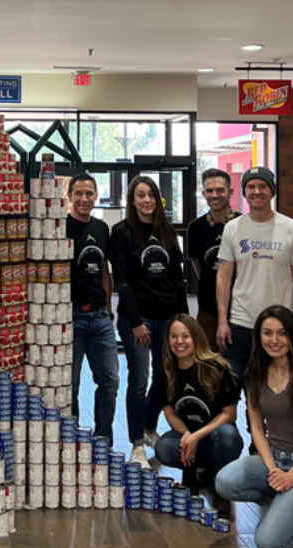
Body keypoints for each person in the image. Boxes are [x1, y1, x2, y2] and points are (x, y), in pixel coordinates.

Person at [215, 306, 293, 548]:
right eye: (267, 333)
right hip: (275, 459)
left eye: (282, 333)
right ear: (259, 337)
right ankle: (284, 499)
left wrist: (292, 476)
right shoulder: (255, 375)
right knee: (224, 482)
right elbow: (257, 427)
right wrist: (273, 470)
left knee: (269, 544)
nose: (275, 340)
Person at [109, 176, 189, 468]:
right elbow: (122, 282)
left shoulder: (166, 232)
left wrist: (183, 321)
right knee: (139, 380)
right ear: (132, 200)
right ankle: (136, 444)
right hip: (138, 320)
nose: (146, 201)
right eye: (140, 195)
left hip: (168, 318)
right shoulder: (121, 233)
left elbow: (178, 281)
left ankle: (149, 426)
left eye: (151, 195)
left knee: (166, 377)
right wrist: (134, 322)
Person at [216, 167, 293, 385]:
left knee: (270, 391)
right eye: (251, 186)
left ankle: (258, 422)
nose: (256, 191)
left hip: (278, 326)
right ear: (244, 192)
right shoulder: (233, 228)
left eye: (262, 186)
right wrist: (223, 321)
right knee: (229, 389)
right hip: (240, 323)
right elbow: (223, 276)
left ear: (272, 190)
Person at [151, 314, 242, 515]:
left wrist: (196, 436)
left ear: (196, 338)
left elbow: (230, 415)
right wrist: (185, 434)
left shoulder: (218, 368)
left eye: (185, 336)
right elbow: (169, 412)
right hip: (189, 437)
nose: (179, 341)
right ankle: (190, 475)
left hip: (215, 436)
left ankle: (221, 484)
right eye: (174, 336)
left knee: (227, 436)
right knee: (164, 447)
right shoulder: (166, 370)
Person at [66, 174, 120, 446]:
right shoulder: (60, 226)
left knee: (110, 381)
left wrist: (108, 310)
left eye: (89, 194)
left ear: (96, 196)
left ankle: (103, 441)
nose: (84, 199)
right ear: (69, 196)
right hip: (70, 317)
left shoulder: (101, 228)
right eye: (79, 193)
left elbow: (104, 270)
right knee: (70, 387)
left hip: (99, 317)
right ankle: (73, 442)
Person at [187, 169, 241, 352]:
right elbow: (199, 265)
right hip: (208, 309)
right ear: (203, 194)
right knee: (207, 360)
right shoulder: (195, 228)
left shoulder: (244, 225)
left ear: (231, 192)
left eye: (220, 190)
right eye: (209, 191)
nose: (214, 195)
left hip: (241, 309)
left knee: (239, 363)